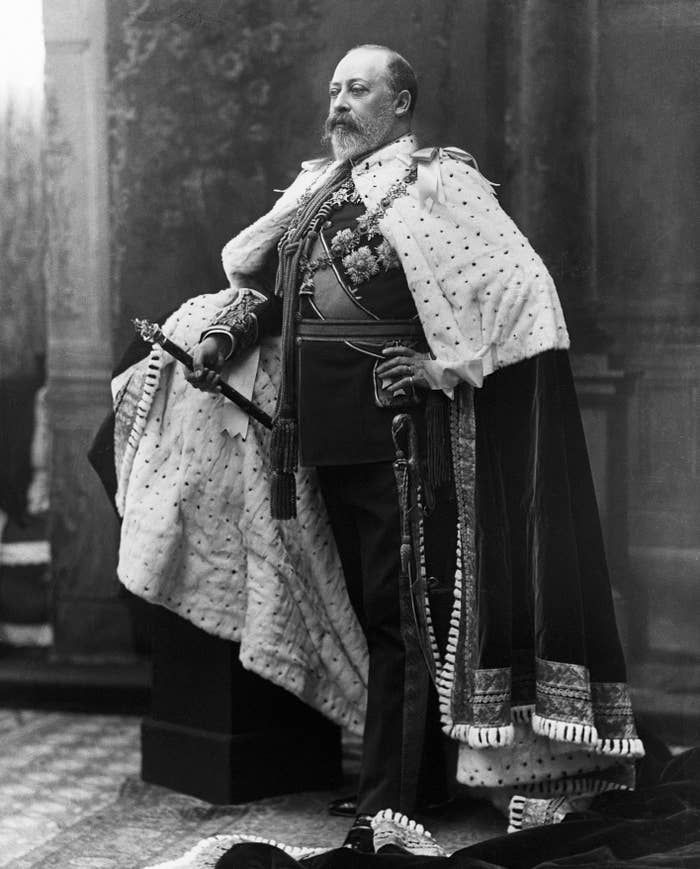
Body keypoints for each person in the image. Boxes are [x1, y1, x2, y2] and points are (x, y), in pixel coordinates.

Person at [184, 44, 643, 852]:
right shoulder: (319, 189)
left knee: (403, 618)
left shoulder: (436, 180)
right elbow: (275, 290)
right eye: (334, 89)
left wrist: (443, 367)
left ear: (400, 104)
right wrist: (225, 335)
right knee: (374, 613)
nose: (339, 103)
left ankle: (389, 801)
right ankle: (412, 778)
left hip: (397, 433)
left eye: (358, 90)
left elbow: (523, 287)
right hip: (320, 431)